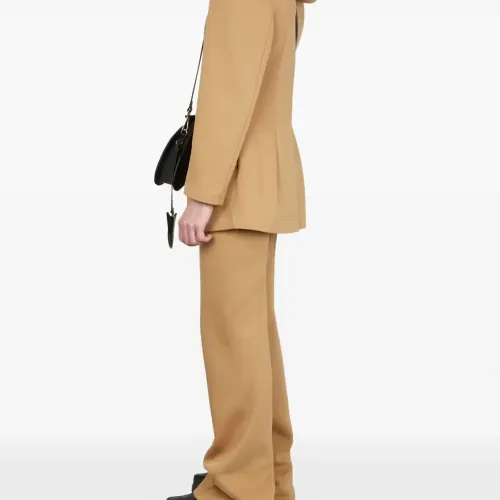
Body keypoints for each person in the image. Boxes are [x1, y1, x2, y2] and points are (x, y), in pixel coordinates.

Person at [167, 0, 315, 499]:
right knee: (254, 340)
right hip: (262, 176)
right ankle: (268, 477)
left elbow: (230, 96)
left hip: (236, 185)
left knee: (233, 343)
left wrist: (203, 196)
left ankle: (237, 488)